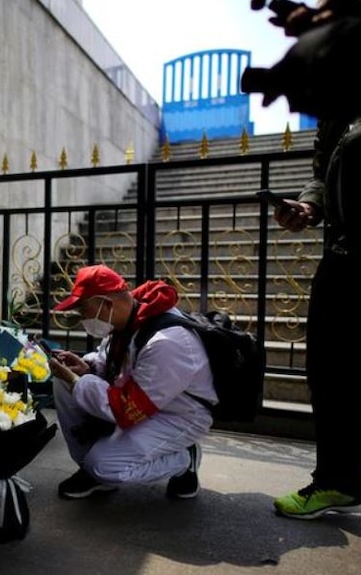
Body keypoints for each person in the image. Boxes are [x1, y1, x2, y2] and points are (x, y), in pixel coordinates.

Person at [256, 0, 361, 522]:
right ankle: (338, 481)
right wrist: (308, 205)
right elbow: (322, 171)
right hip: (343, 257)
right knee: (329, 372)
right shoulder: (339, 105)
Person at [48, 264, 217, 500]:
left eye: (83, 311)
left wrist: (77, 380)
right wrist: (87, 368)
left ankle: (184, 459)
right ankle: (90, 469)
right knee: (64, 384)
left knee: (104, 466)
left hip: (178, 416)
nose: (82, 319)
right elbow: (114, 364)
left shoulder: (166, 342)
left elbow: (126, 410)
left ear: (106, 304)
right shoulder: (129, 318)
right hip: (147, 402)